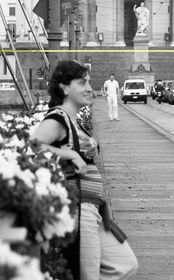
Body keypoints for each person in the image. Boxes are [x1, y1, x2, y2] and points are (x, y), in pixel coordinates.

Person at [31, 60, 138, 280]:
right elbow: (32, 148)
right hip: (79, 207)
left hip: (93, 208)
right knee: (87, 274)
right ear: (64, 88)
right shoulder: (57, 118)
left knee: (124, 264)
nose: (89, 88)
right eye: (82, 83)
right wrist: (70, 154)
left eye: (88, 82)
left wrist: (90, 147)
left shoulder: (74, 121)